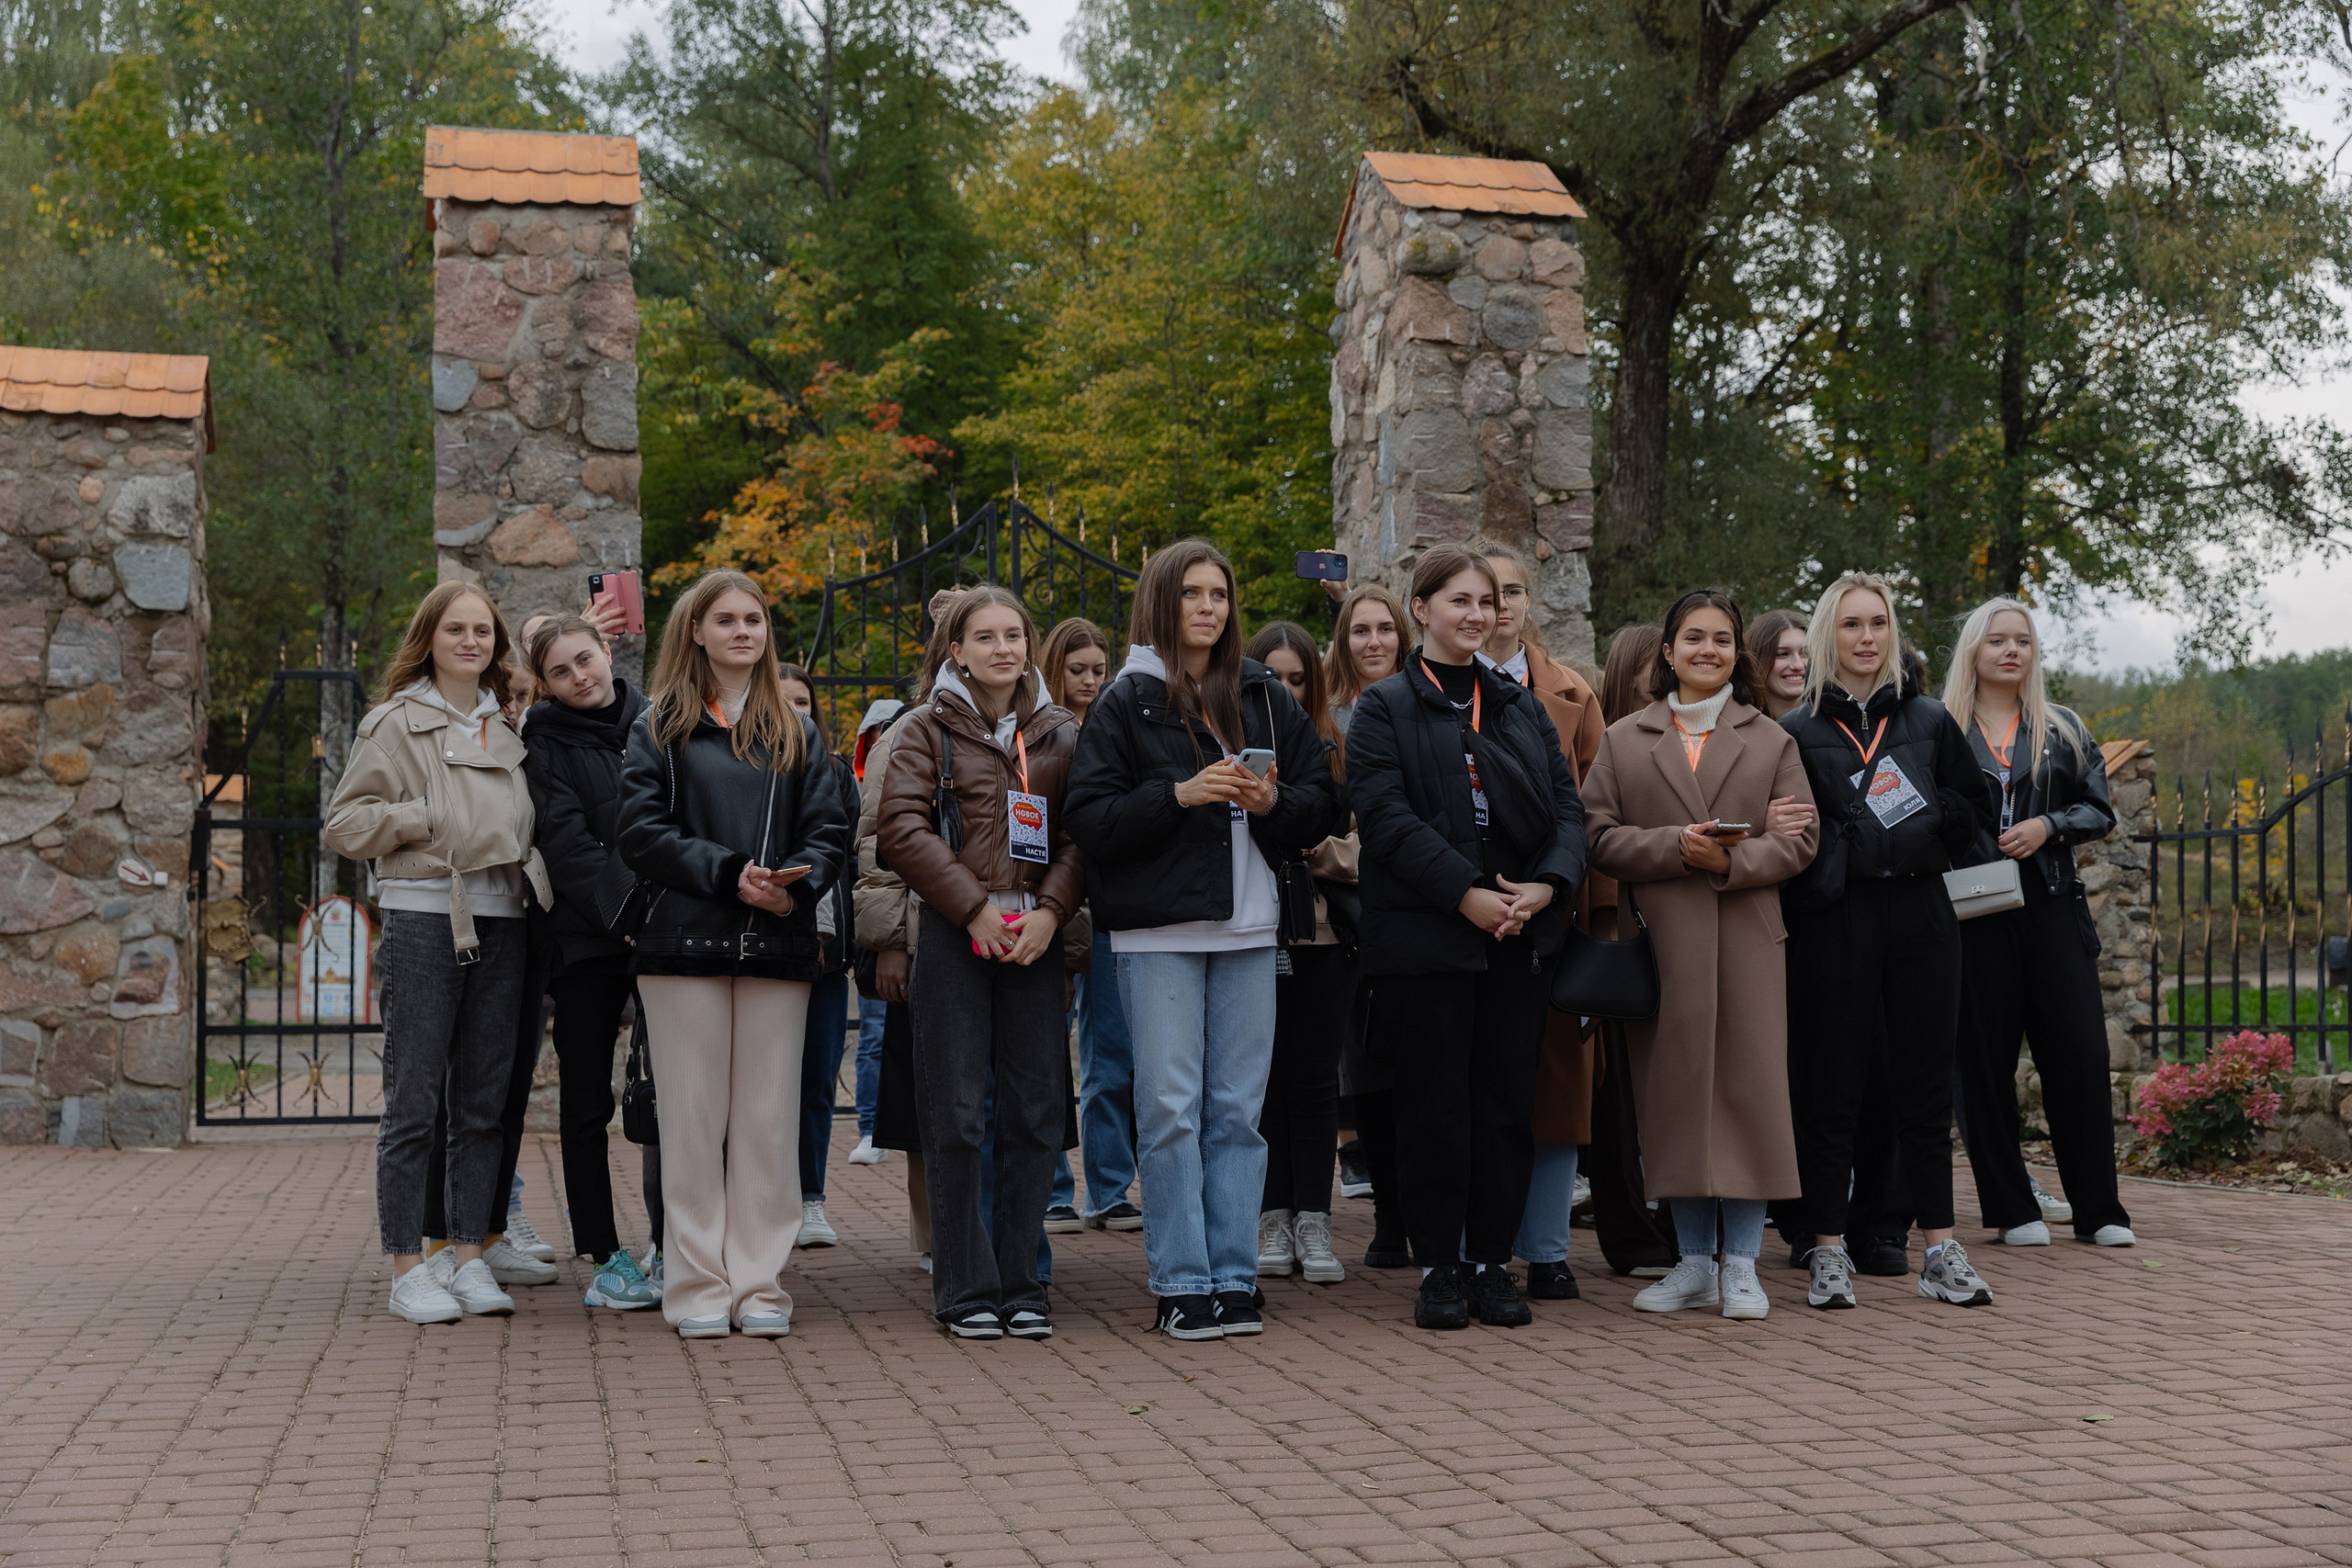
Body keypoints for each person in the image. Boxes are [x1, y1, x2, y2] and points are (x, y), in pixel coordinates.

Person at [1066, 539, 1341, 1341]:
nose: (1209, 607)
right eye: (1192, 593)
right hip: (1159, 935)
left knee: (1236, 1112)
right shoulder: (1124, 701)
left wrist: (1269, 804)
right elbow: (1090, 821)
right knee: (1170, 1109)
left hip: (1254, 928)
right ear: (1162, 601)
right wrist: (1179, 793)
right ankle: (1182, 1279)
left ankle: (1233, 1274)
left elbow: (1321, 804)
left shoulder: (1261, 694)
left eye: (1220, 593)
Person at [1347, 547, 1586, 1332]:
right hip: (1428, 941)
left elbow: (1567, 813)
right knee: (1434, 1109)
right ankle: (1440, 1265)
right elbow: (1385, 818)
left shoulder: (1517, 704)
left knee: (1505, 1107)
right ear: (1422, 608)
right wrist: (1466, 895)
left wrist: (1546, 887)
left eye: (1488, 602)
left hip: (1517, 936)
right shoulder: (1384, 706)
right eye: (1460, 601)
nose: (1478, 614)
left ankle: (1492, 1262)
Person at [617, 570, 852, 1337]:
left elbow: (830, 828)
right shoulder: (660, 724)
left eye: (753, 618)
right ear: (697, 631)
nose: (743, 631)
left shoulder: (799, 729)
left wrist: (798, 884)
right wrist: (728, 875)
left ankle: (758, 1286)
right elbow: (640, 831)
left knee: (765, 1121)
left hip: (779, 940)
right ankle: (696, 1290)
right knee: (691, 1121)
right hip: (683, 941)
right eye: (726, 619)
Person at [1583, 590, 1820, 1320]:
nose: (1708, 650)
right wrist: (1672, 848)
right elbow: (1595, 835)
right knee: (1677, 1097)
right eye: (1694, 638)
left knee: (1748, 1097)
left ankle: (1742, 1264)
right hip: (1666, 944)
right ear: (1667, 650)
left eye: (1722, 640)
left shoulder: (1774, 740)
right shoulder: (1625, 738)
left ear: (1737, 654)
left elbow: (1802, 841)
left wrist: (1730, 861)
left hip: (1749, 942)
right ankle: (1691, 1263)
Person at [325, 582, 551, 1325]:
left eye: (482, 629)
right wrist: (427, 814)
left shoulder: (508, 725)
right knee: (415, 1098)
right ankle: (406, 1266)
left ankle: (469, 1255)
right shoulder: (394, 722)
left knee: (484, 1101)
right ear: (429, 636)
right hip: (425, 914)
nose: (470, 640)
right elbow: (345, 824)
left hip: (505, 916)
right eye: (455, 628)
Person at [1779, 570, 1999, 1311]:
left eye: (1877, 624)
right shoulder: (1797, 731)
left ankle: (1938, 1245)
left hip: (1922, 917)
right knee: (1833, 1085)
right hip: (1837, 920)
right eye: (1851, 625)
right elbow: (1782, 834)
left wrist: (1933, 817)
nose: (1866, 638)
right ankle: (1828, 1247)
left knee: (1924, 1084)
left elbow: (1978, 805)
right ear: (1825, 636)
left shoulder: (1931, 720)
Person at [876, 587, 1086, 1338]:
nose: (1003, 648)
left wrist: (1052, 913)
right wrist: (973, 908)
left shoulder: (1060, 731)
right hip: (954, 934)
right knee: (957, 1112)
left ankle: (1022, 1282)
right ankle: (965, 1287)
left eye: (1014, 635)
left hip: (1033, 936)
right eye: (985, 636)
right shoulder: (924, 730)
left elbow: (1081, 834)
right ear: (955, 649)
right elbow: (899, 828)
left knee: (1035, 1114)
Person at [1942, 598, 2135, 1248]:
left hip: (2051, 903)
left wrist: (2047, 825)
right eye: (1996, 639)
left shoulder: (2063, 728)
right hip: (1972, 909)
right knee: (1983, 1062)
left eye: (2022, 640)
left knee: (2080, 1054)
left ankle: (2100, 1209)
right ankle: (2012, 1207)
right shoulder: (1940, 727)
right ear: (1973, 649)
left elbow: (2098, 808)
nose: (2010, 650)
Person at [518, 614, 662, 1311]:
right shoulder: (541, 742)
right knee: (586, 1101)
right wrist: (626, 918)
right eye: (561, 672)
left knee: (674, 1095)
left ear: (608, 651)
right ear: (544, 684)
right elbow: (565, 844)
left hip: (665, 932)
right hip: (585, 940)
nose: (580, 677)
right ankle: (604, 1253)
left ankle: (674, 1238)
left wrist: (657, 915)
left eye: (586, 660)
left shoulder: (660, 723)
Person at [1478, 544, 1605, 1301]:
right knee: (1480, 1083)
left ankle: (1548, 1247)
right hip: (1470, 906)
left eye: (1515, 590)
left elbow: (1590, 808)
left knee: (1558, 1083)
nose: (1500, 605)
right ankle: (1474, 1242)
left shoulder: (1571, 692)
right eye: (1486, 592)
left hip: (1554, 908)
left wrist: (1590, 910)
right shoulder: (1427, 690)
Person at [1245, 620, 1351, 1287]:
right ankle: (1270, 1215)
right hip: (1253, 931)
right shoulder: (1236, 747)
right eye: (1272, 677)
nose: (1284, 690)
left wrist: (1321, 848)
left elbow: (1369, 835)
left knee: (1314, 1081)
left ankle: (1314, 1216)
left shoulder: (1337, 746)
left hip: (1322, 931)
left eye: (1296, 679)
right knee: (1258, 1083)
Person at [1040, 616, 1141, 1232]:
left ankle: (1107, 1185)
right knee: (1043, 1053)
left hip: (1104, 910)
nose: (1089, 680)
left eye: (1099, 670)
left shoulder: (1116, 726)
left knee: (1112, 1054)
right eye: (1077, 670)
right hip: (1050, 909)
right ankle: (1051, 1185)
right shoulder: (1036, 733)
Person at [1320, 582, 1408, 1247]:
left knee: (1419, 1061)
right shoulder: (1325, 716)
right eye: (1360, 630)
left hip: (1419, 898)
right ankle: (1389, 1215)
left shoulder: (1423, 703)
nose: (1373, 641)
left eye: (1384, 628)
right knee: (1370, 1059)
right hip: (1351, 904)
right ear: (1342, 639)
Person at [775, 662, 860, 1248]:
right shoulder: (741, 768)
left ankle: (809, 1198)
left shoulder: (835, 774)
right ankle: (761, 1196)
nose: (794, 713)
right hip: (761, 951)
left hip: (824, 951)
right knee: (760, 1082)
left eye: (803, 702)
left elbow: (855, 860)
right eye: (781, 702)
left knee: (815, 1078)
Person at [847, 697, 904, 1169]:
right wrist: (885, 940)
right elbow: (874, 851)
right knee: (873, 1035)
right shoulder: (860, 779)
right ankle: (869, 1126)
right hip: (881, 927)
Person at [1747, 609, 1808, 719]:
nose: (1798, 665)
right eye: (1782, 654)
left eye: (1805, 653)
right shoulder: (1735, 728)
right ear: (1757, 660)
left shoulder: (1836, 724)